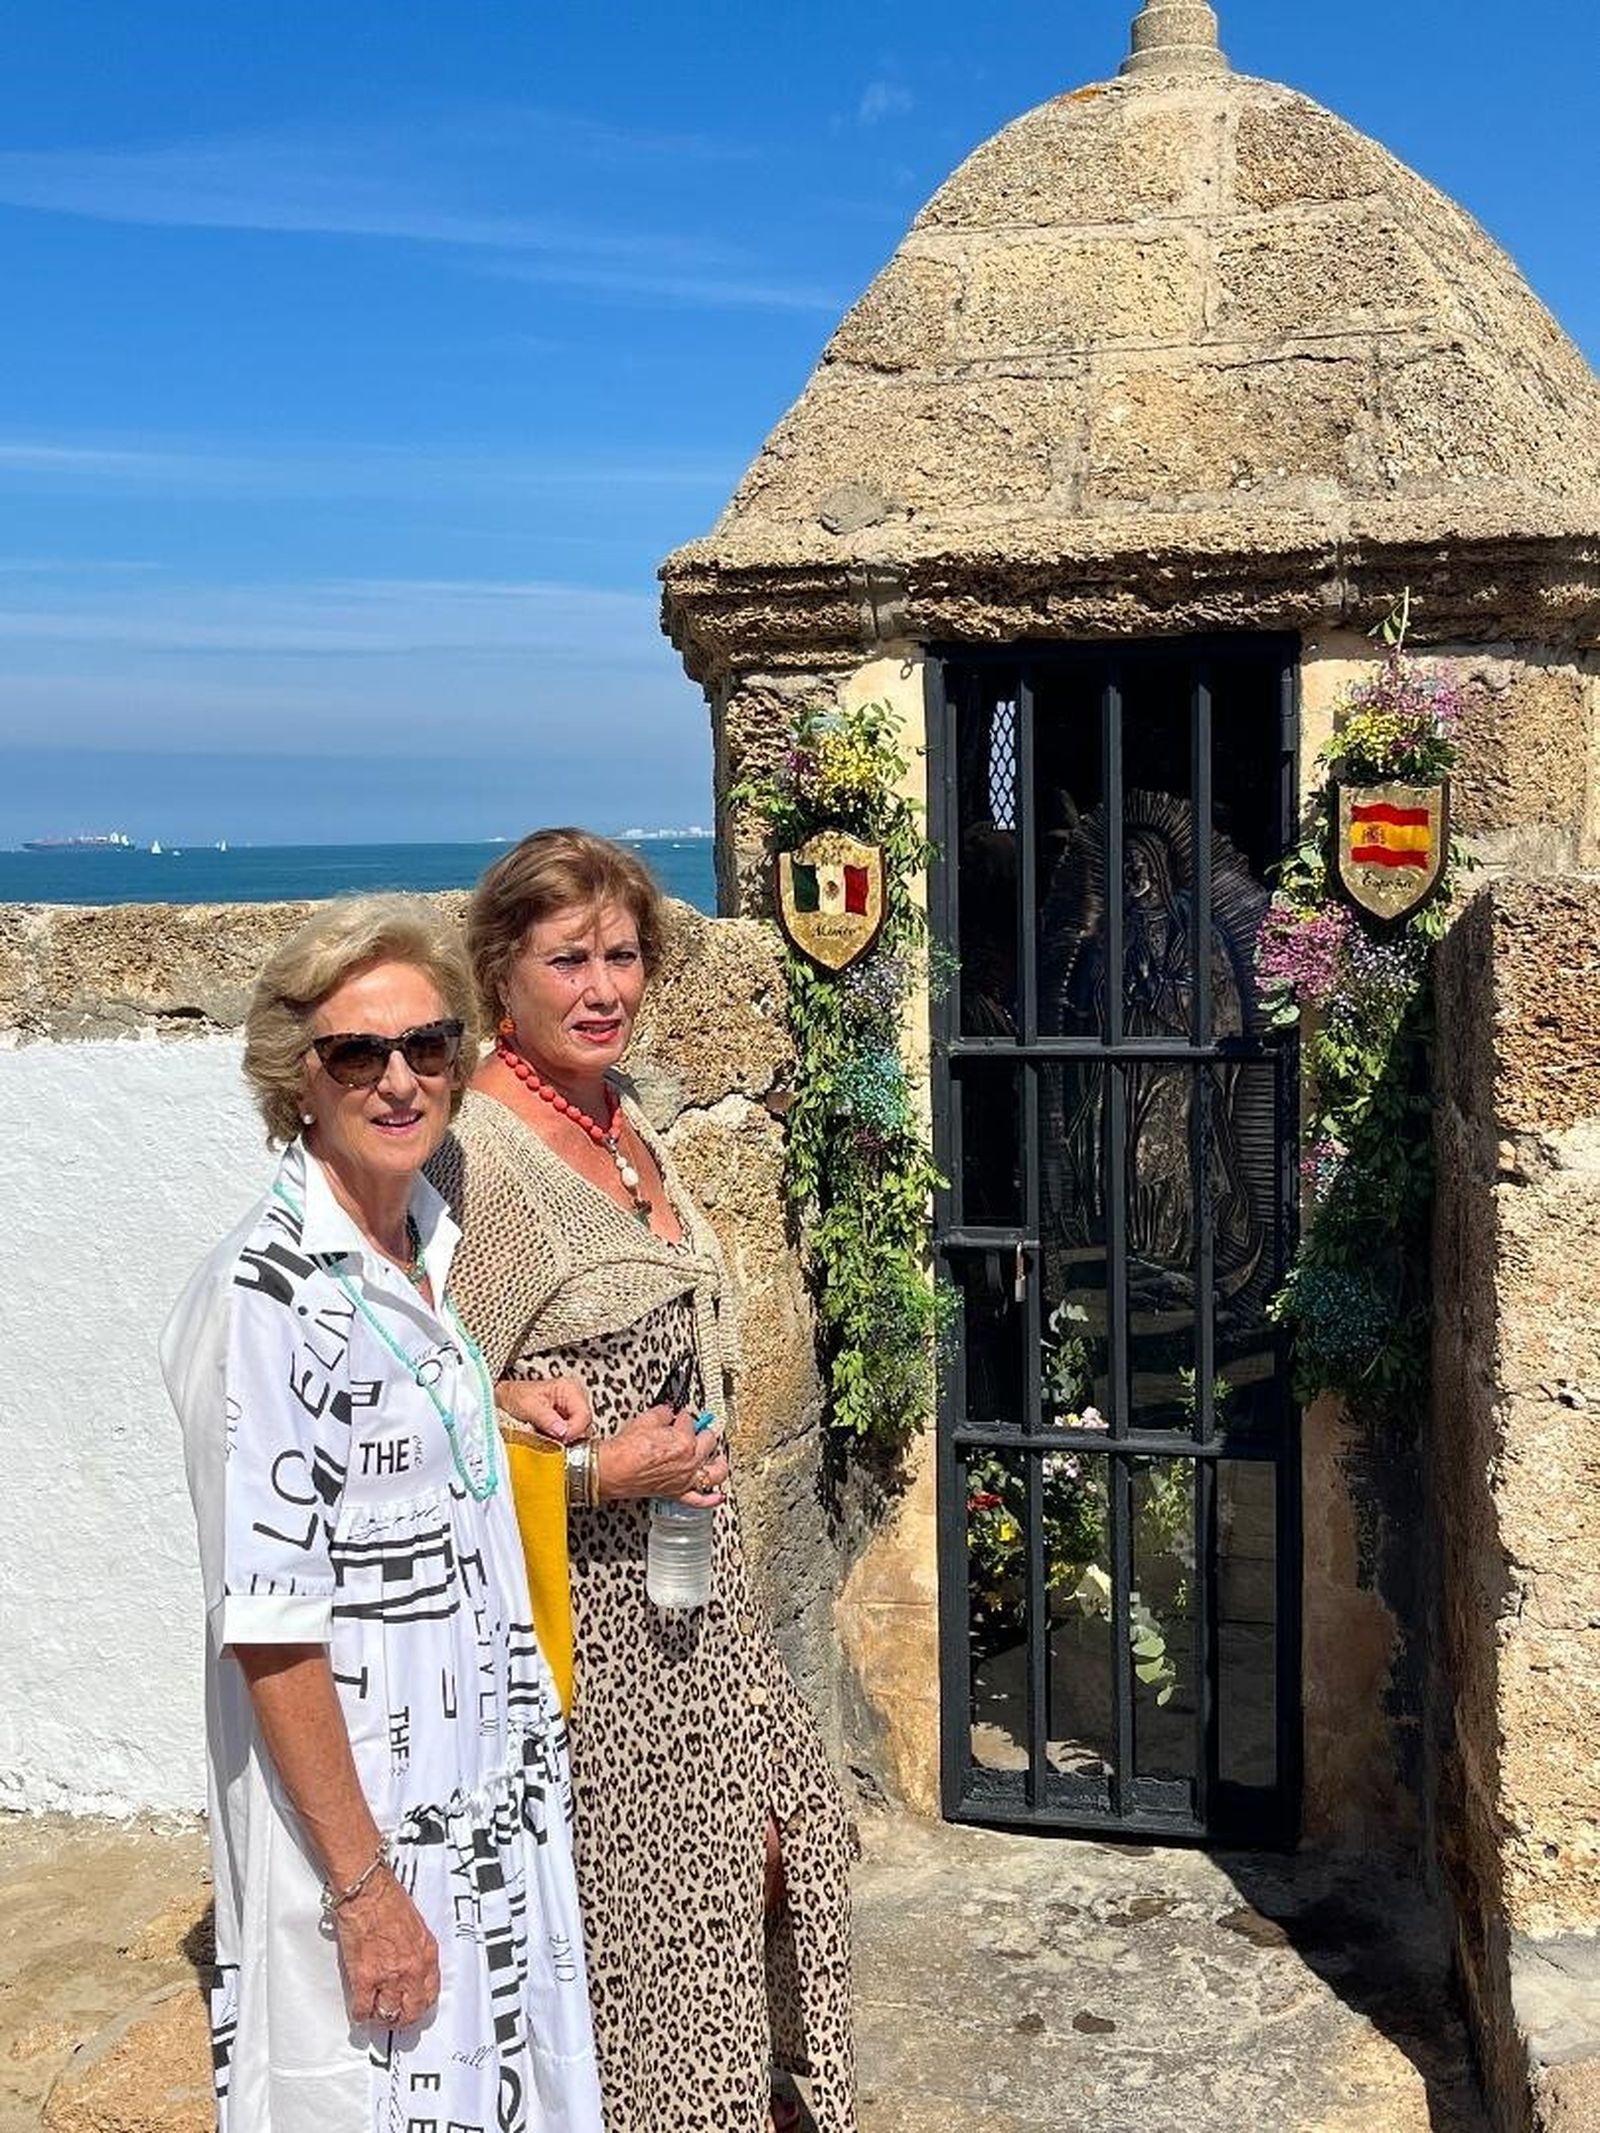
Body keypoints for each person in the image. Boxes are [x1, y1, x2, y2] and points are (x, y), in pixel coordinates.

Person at [428, 829, 857, 2133]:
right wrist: (600, 1469)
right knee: (654, 1963)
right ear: (503, 972)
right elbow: (417, 1441)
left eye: (622, 955)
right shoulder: (484, 1161)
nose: (602, 986)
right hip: (592, 1645)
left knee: (800, 1839)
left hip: (693, 1607)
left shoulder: (620, 1120)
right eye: (569, 960)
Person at [160, 895, 604, 2133]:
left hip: (480, 1787)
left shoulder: (415, 1243)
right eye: (360, 1053)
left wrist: (488, 1398)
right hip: (374, 1817)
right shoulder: (266, 1297)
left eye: (429, 1045)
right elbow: (270, 1624)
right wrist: (365, 1891)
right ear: (297, 1080)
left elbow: (373, 1440)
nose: (402, 1078)